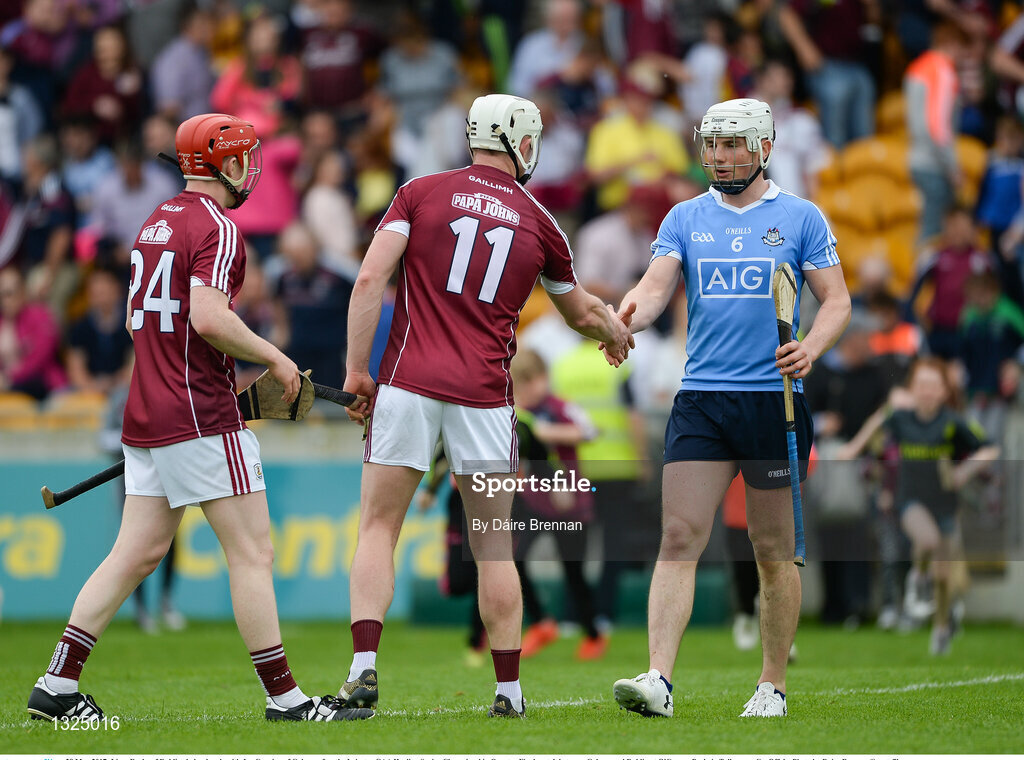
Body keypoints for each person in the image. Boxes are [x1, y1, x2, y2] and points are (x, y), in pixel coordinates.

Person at [25, 113, 373, 723]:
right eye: (245, 158)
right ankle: (288, 702)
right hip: (199, 411)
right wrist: (275, 356)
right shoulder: (219, 228)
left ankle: (56, 686)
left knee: (135, 552)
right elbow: (209, 319)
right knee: (253, 554)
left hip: (148, 408)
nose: (252, 169)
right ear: (227, 164)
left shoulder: (155, 222)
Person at [338, 93, 633, 718]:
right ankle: (508, 691)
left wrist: (357, 373)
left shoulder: (419, 192)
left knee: (378, 529)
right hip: (484, 395)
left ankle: (363, 667)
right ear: (521, 142)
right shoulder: (540, 220)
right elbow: (580, 311)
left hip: (407, 380)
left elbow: (368, 281)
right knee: (494, 545)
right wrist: (615, 333)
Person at [608, 98, 851, 718]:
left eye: (734, 145)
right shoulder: (685, 217)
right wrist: (627, 315)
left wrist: (811, 348)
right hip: (702, 400)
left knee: (772, 551)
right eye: (712, 145)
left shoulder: (801, 218)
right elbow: (657, 285)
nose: (720, 157)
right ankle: (659, 680)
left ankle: (772, 686)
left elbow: (837, 302)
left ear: (764, 147)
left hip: (774, 402)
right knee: (679, 534)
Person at [838, 358, 998, 654]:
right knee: (927, 539)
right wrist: (854, 447)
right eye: (921, 385)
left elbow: (989, 447)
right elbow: (878, 419)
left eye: (933, 385)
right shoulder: (901, 417)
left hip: (945, 505)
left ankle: (939, 630)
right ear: (912, 388)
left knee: (942, 575)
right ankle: (917, 576)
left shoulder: (953, 421)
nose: (926, 391)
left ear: (943, 391)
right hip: (909, 500)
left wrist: (964, 472)